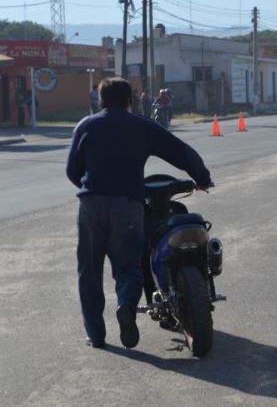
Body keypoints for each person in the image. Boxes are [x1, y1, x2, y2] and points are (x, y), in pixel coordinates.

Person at [66, 77, 211, 349]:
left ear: (101, 100)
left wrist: (93, 189)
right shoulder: (142, 127)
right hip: (128, 206)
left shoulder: (86, 125)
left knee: (89, 270)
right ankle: (126, 307)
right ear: (129, 101)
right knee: (129, 266)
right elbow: (180, 151)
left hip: (91, 205)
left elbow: (73, 170)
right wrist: (201, 176)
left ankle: (96, 335)